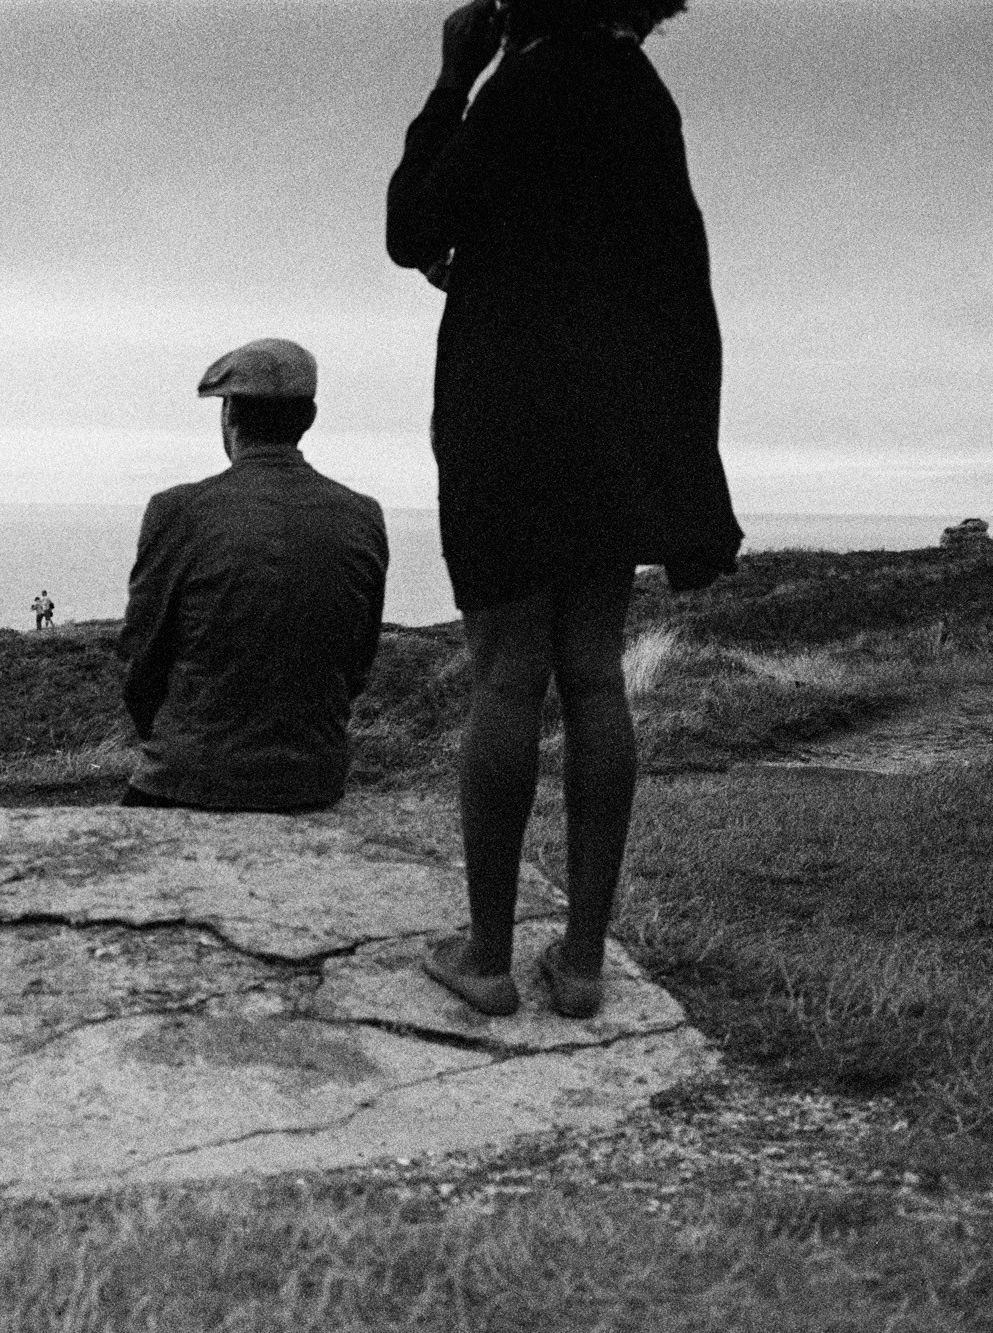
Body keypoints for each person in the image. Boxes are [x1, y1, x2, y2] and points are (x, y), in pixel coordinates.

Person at [386, 0, 744, 1017]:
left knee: (505, 671)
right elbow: (643, 266)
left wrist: (452, 79)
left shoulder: (523, 83)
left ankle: (487, 955)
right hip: (611, 425)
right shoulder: (639, 95)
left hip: (508, 414)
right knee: (590, 670)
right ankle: (581, 961)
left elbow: (409, 224)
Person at [120, 338, 388, 811]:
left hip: (185, 779)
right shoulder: (362, 515)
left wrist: (174, 743)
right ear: (308, 419)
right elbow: (358, 660)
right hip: (312, 783)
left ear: (229, 418)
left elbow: (141, 659)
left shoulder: (177, 511)